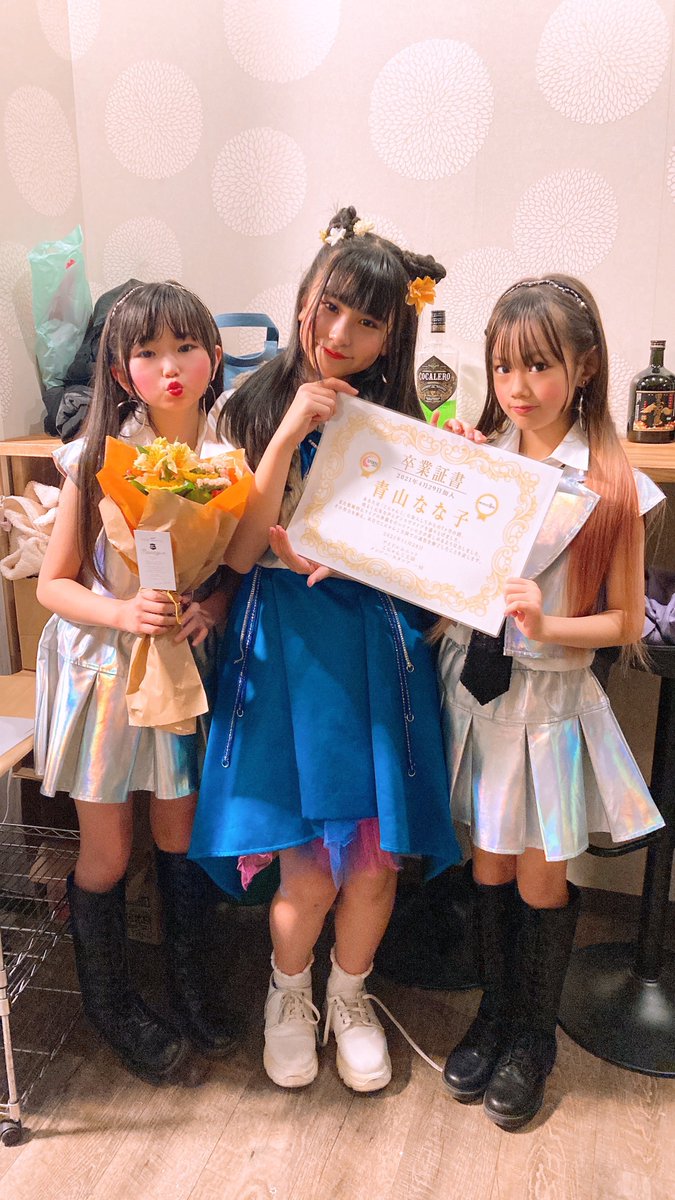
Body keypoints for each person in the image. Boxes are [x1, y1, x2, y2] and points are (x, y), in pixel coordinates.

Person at [189, 206, 461, 1093]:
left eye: (368, 321)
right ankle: (288, 993)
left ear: (391, 337)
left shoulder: (399, 419)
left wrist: (455, 470)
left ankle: (350, 996)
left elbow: (427, 554)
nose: (340, 333)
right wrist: (286, 431)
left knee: (373, 866)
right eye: (330, 306)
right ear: (305, 297)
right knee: (305, 871)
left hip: (370, 646)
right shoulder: (246, 404)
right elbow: (238, 553)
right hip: (279, 645)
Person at [438, 275, 665, 1129]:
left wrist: (550, 623)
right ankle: (491, 1016)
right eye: (502, 367)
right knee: (486, 865)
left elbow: (626, 621)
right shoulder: (482, 456)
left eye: (537, 365)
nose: (517, 387)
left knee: (539, 876)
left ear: (584, 366)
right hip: (476, 693)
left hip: (550, 702)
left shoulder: (612, 483)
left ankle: (533, 1039)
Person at [35, 281, 240, 1084]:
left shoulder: (228, 461)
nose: (170, 367)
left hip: (181, 670)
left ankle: (189, 986)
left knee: (180, 836)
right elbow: (53, 585)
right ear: (122, 374)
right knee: (109, 851)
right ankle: (111, 1003)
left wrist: (211, 605)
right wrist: (123, 613)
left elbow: (235, 568)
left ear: (214, 357)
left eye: (185, 347)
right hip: (103, 673)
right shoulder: (97, 461)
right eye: (148, 353)